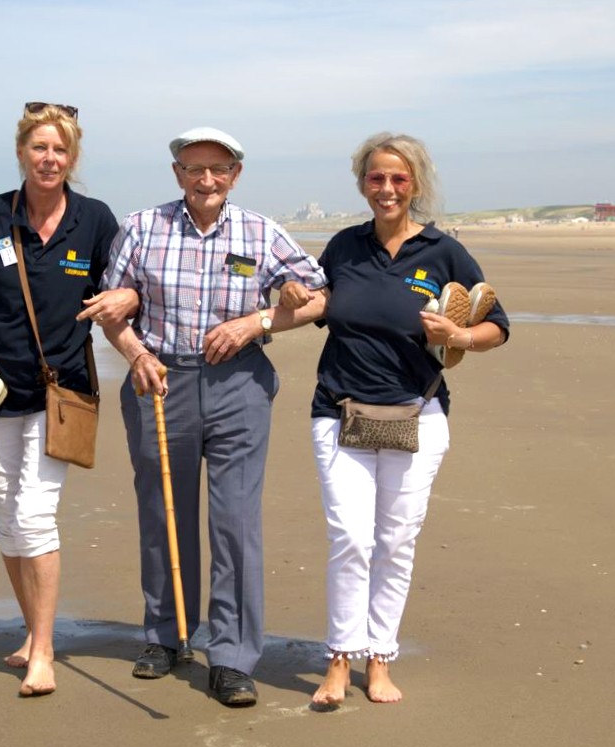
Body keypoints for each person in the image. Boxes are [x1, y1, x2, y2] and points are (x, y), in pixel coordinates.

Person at [93, 127, 327, 707]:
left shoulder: (260, 231)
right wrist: (137, 356)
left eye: (218, 169)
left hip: (239, 384)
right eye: (194, 169)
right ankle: (167, 637)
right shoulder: (142, 228)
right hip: (159, 380)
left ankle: (232, 656)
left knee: (234, 522)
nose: (206, 180)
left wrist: (259, 322)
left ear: (235, 174)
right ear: (177, 173)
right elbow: (109, 307)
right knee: (162, 512)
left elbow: (318, 295)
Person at [307, 132, 509, 708]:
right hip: (338, 412)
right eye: (376, 178)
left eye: (398, 179)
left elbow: (500, 324)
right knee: (349, 538)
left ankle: (380, 661)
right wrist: (281, 308)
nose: (387, 188)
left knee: (395, 541)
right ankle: (338, 662)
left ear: (414, 184)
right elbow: (318, 305)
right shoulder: (343, 247)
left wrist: (461, 335)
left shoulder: (444, 252)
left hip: (418, 413)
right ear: (362, 183)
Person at [0, 101, 136, 697]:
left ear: (73, 158)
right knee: (7, 519)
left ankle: (45, 653)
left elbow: (125, 289)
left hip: (63, 395)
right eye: (39, 147)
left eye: (59, 149)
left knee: (35, 516)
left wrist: (130, 317)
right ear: (21, 152)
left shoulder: (96, 220)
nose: (49, 158)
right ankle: (32, 631)